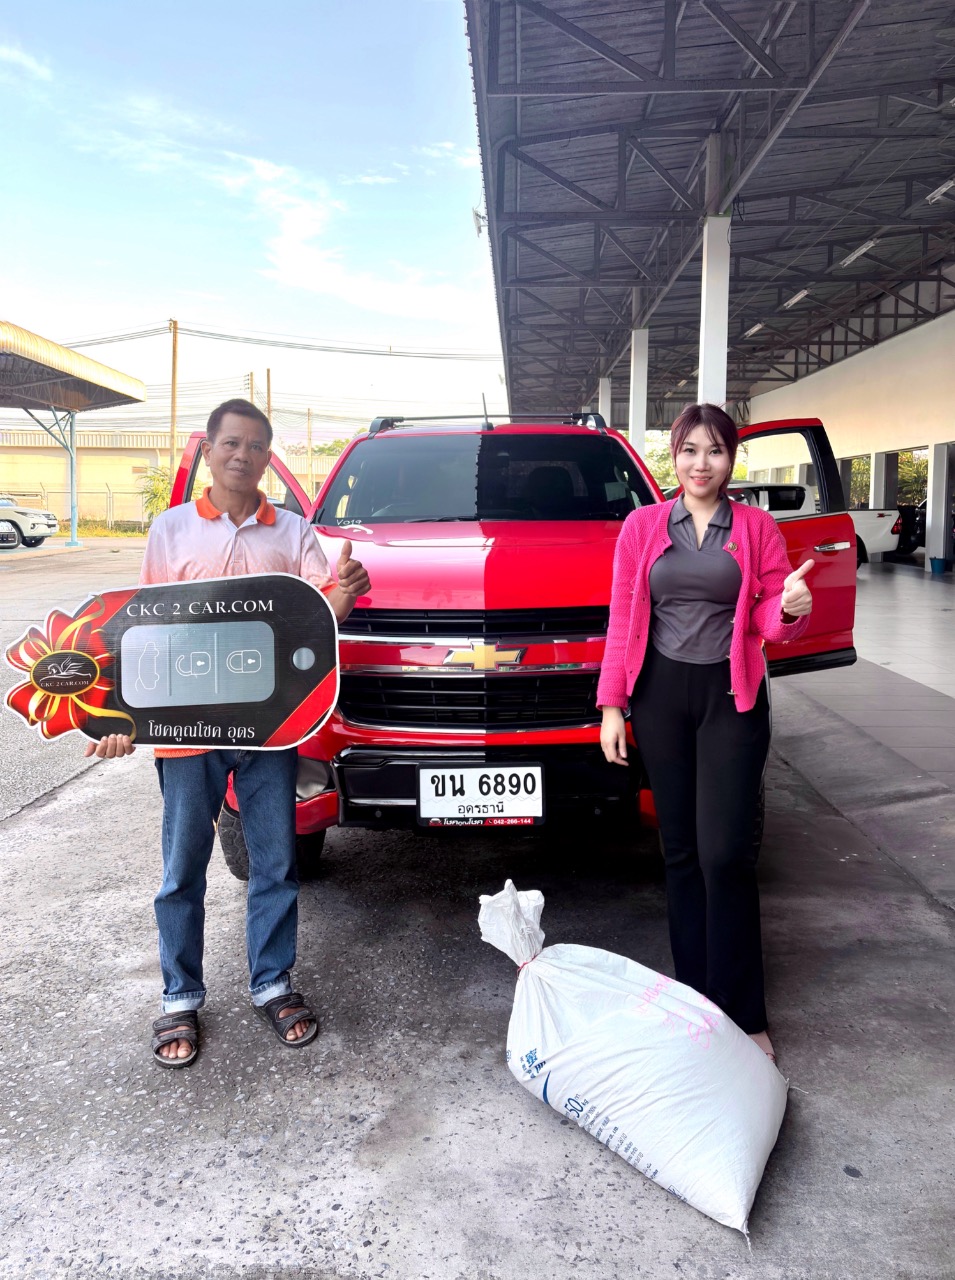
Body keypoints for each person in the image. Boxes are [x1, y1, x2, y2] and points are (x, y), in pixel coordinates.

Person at [86, 398, 370, 1068]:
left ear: (268, 457)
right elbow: (143, 633)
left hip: (272, 728)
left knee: (275, 865)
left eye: (256, 446)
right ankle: (179, 995)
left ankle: (272, 983)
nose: (243, 455)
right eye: (231, 444)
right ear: (209, 451)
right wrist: (119, 719)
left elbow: (316, 616)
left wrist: (346, 593)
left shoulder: (292, 532)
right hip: (188, 733)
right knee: (181, 869)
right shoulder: (171, 530)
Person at [597, 403, 813, 1064]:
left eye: (714, 451)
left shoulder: (754, 527)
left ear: (731, 459)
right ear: (674, 456)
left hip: (730, 696)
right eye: (689, 450)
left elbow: (769, 617)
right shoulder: (641, 527)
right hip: (660, 697)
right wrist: (612, 705)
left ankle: (743, 1014)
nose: (700, 463)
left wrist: (790, 610)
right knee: (682, 852)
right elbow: (623, 618)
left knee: (727, 855)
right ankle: (695, 1000)